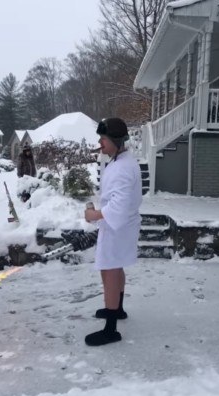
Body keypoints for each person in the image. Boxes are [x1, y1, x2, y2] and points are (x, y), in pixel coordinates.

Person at [82, 117, 142, 346]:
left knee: (110, 271)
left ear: (116, 141)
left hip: (118, 228)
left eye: (104, 139)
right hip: (120, 226)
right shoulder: (121, 161)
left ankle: (110, 329)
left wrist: (93, 215)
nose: (100, 143)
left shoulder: (123, 168)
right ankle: (118, 310)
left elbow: (119, 206)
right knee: (115, 268)